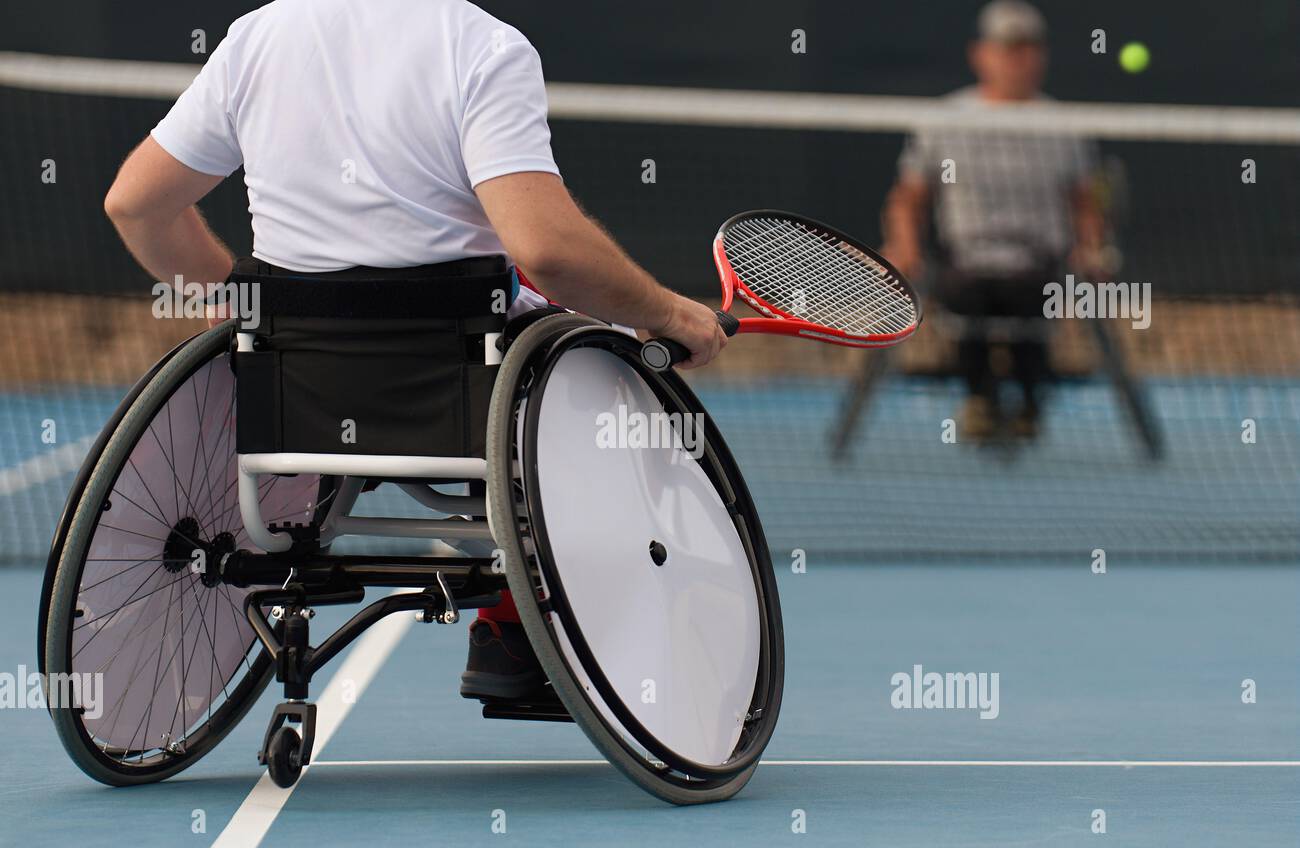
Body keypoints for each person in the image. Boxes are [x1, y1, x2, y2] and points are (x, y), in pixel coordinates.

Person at [102, 0, 726, 702]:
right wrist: (670, 313)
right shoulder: (483, 47)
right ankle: (513, 625)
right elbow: (548, 249)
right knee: (605, 357)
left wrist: (235, 300)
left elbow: (135, 205)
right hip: (467, 399)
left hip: (296, 398)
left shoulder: (260, 36)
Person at [881, 0, 1106, 440]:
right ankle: (980, 397)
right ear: (980, 54)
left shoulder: (1064, 126)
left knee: (1035, 298)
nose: (1018, 60)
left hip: (1039, 268)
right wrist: (904, 246)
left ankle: (1029, 399)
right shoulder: (945, 119)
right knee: (970, 295)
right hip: (966, 264)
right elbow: (907, 199)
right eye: (1007, 48)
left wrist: (1092, 247)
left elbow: (1085, 202)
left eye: (1028, 49)